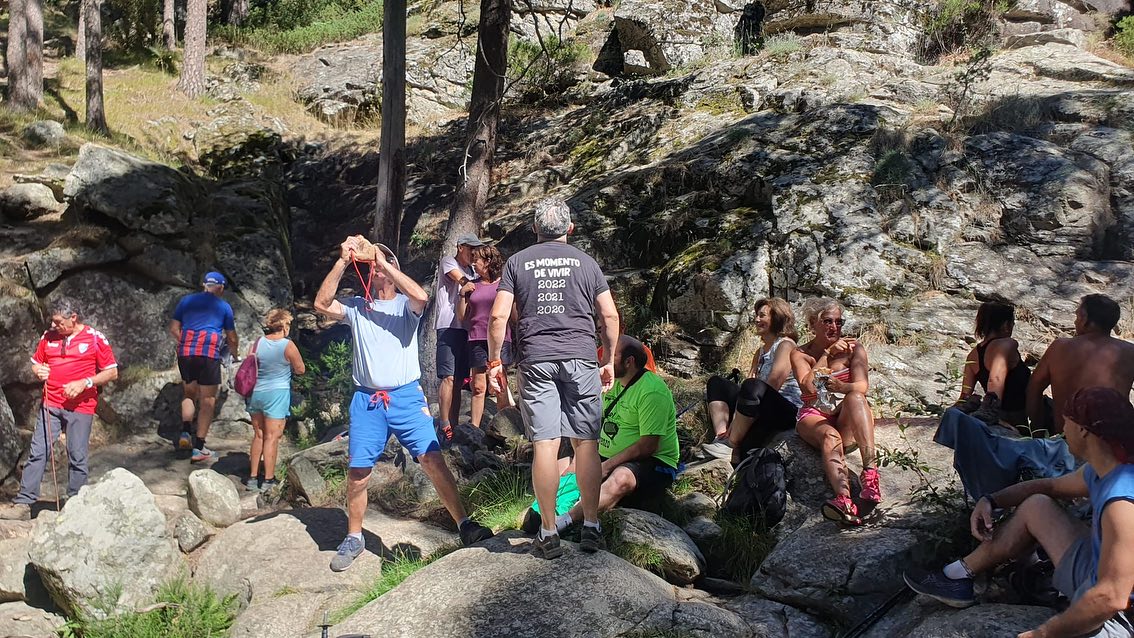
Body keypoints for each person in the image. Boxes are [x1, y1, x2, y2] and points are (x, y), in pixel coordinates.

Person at [314, 236, 492, 572]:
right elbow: (322, 304)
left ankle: (464, 524)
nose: (375, 267)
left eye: (382, 262)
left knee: (432, 458)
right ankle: (354, 536)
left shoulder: (405, 305)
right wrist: (342, 260)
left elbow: (422, 297)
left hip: (406, 397)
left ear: (392, 268)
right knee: (358, 472)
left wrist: (382, 261)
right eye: (371, 265)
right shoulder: (357, 306)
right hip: (367, 400)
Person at [905, 387, 1134, 638]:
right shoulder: (1105, 469)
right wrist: (991, 500)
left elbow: (1112, 597)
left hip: (1120, 614)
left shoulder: (1121, 502)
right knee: (1038, 506)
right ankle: (956, 577)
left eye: (1067, 422)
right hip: (1099, 574)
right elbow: (1050, 486)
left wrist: (1043, 633)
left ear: (1083, 430)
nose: (1063, 429)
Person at [487, 197, 620, 559]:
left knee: (546, 445)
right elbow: (609, 316)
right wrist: (608, 360)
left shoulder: (517, 263)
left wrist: (495, 361)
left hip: (536, 359)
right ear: (570, 229)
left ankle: (548, 532)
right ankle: (591, 525)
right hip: (581, 357)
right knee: (586, 444)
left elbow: (498, 317)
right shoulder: (586, 263)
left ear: (534, 229)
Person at [0, 301, 118, 520]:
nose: (54, 325)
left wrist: (85, 383)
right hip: (51, 404)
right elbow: (36, 362)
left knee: (77, 455)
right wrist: (39, 370)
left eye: (59, 322)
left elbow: (111, 372)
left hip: (81, 407)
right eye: (53, 321)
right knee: (38, 452)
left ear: (73, 317)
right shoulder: (48, 336)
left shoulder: (94, 338)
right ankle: (24, 503)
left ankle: (76, 505)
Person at [552, 335, 680, 531]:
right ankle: (546, 507)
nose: (604, 359)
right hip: (608, 453)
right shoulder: (612, 382)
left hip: (653, 462)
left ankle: (567, 520)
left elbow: (647, 446)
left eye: (612, 356)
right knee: (566, 459)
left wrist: (606, 466)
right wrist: (580, 459)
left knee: (622, 477)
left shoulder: (652, 391)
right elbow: (593, 423)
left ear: (629, 362)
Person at [791, 297, 880, 526]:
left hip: (845, 414)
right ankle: (844, 500)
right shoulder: (800, 353)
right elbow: (808, 387)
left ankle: (870, 475)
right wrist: (826, 355)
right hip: (814, 414)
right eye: (828, 321)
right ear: (813, 323)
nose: (835, 327)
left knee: (856, 397)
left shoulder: (853, 348)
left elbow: (862, 386)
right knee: (830, 436)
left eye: (839, 322)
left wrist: (842, 387)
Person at [703, 297, 803, 464]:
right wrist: (735, 419)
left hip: (784, 407)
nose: (757, 319)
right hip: (760, 401)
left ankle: (732, 444)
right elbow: (748, 385)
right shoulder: (760, 352)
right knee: (717, 383)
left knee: (753, 386)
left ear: (777, 318)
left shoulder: (786, 345)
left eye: (762, 315)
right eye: (756, 315)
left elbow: (773, 383)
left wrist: (736, 422)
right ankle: (721, 438)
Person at [1027, 294, 1134, 435]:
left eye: (1077, 316)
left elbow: (1034, 389)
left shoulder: (1059, 347)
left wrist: (1037, 431)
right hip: (1112, 442)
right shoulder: (1129, 352)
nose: (1075, 321)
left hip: (1066, 439)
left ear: (1084, 320)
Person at [169, 271, 239, 462]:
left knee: (189, 393)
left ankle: (185, 433)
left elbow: (174, 328)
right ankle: (199, 448)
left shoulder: (186, 301)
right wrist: (234, 354)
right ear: (221, 288)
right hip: (208, 354)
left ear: (204, 285)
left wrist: (187, 343)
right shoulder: (223, 307)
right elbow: (232, 338)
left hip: (185, 354)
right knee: (208, 400)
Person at [245, 309, 305, 492]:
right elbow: (300, 369)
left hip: (256, 393)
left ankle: (252, 478)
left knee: (259, 435)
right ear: (284, 326)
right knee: (272, 437)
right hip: (277, 395)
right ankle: (268, 479)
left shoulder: (257, 343)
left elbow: (250, 364)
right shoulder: (288, 345)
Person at [456, 243, 514, 429]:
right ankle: (474, 428)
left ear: (488, 261)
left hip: (500, 338)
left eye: (477, 259)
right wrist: (462, 295)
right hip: (476, 338)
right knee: (478, 386)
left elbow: (513, 314)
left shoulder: (504, 284)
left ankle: (507, 426)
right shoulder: (472, 285)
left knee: (499, 383)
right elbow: (462, 316)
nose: (473, 263)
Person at [434, 233, 483, 442]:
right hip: (448, 325)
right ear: (460, 247)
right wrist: (473, 284)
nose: (474, 252)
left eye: (476, 249)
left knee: (459, 378)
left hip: (466, 327)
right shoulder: (449, 261)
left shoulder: (473, 270)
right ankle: (444, 423)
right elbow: (460, 279)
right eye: (471, 248)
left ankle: (453, 425)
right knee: (449, 376)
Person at [957, 301, 1031, 427]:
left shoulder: (973, 355)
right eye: (1012, 324)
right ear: (1006, 325)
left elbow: (965, 396)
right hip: (1018, 417)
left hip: (999, 415)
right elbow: (996, 379)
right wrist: (991, 411)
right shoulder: (1007, 344)